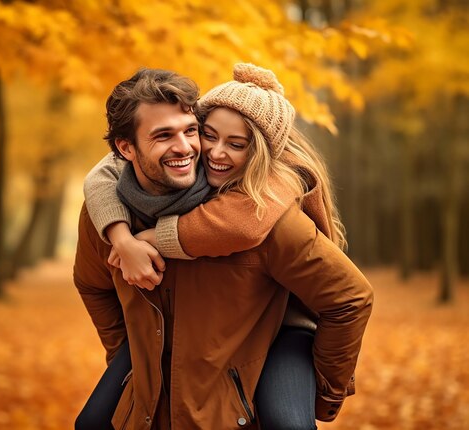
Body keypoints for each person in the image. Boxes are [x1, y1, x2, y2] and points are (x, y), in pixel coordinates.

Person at [73, 65, 373, 430]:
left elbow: (350, 297)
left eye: (189, 132)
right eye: (165, 135)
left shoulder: (262, 206)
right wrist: (131, 350)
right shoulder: (107, 211)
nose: (191, 148)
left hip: (278, 340)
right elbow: (93, 281)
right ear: (126, 148)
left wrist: (325, 392)